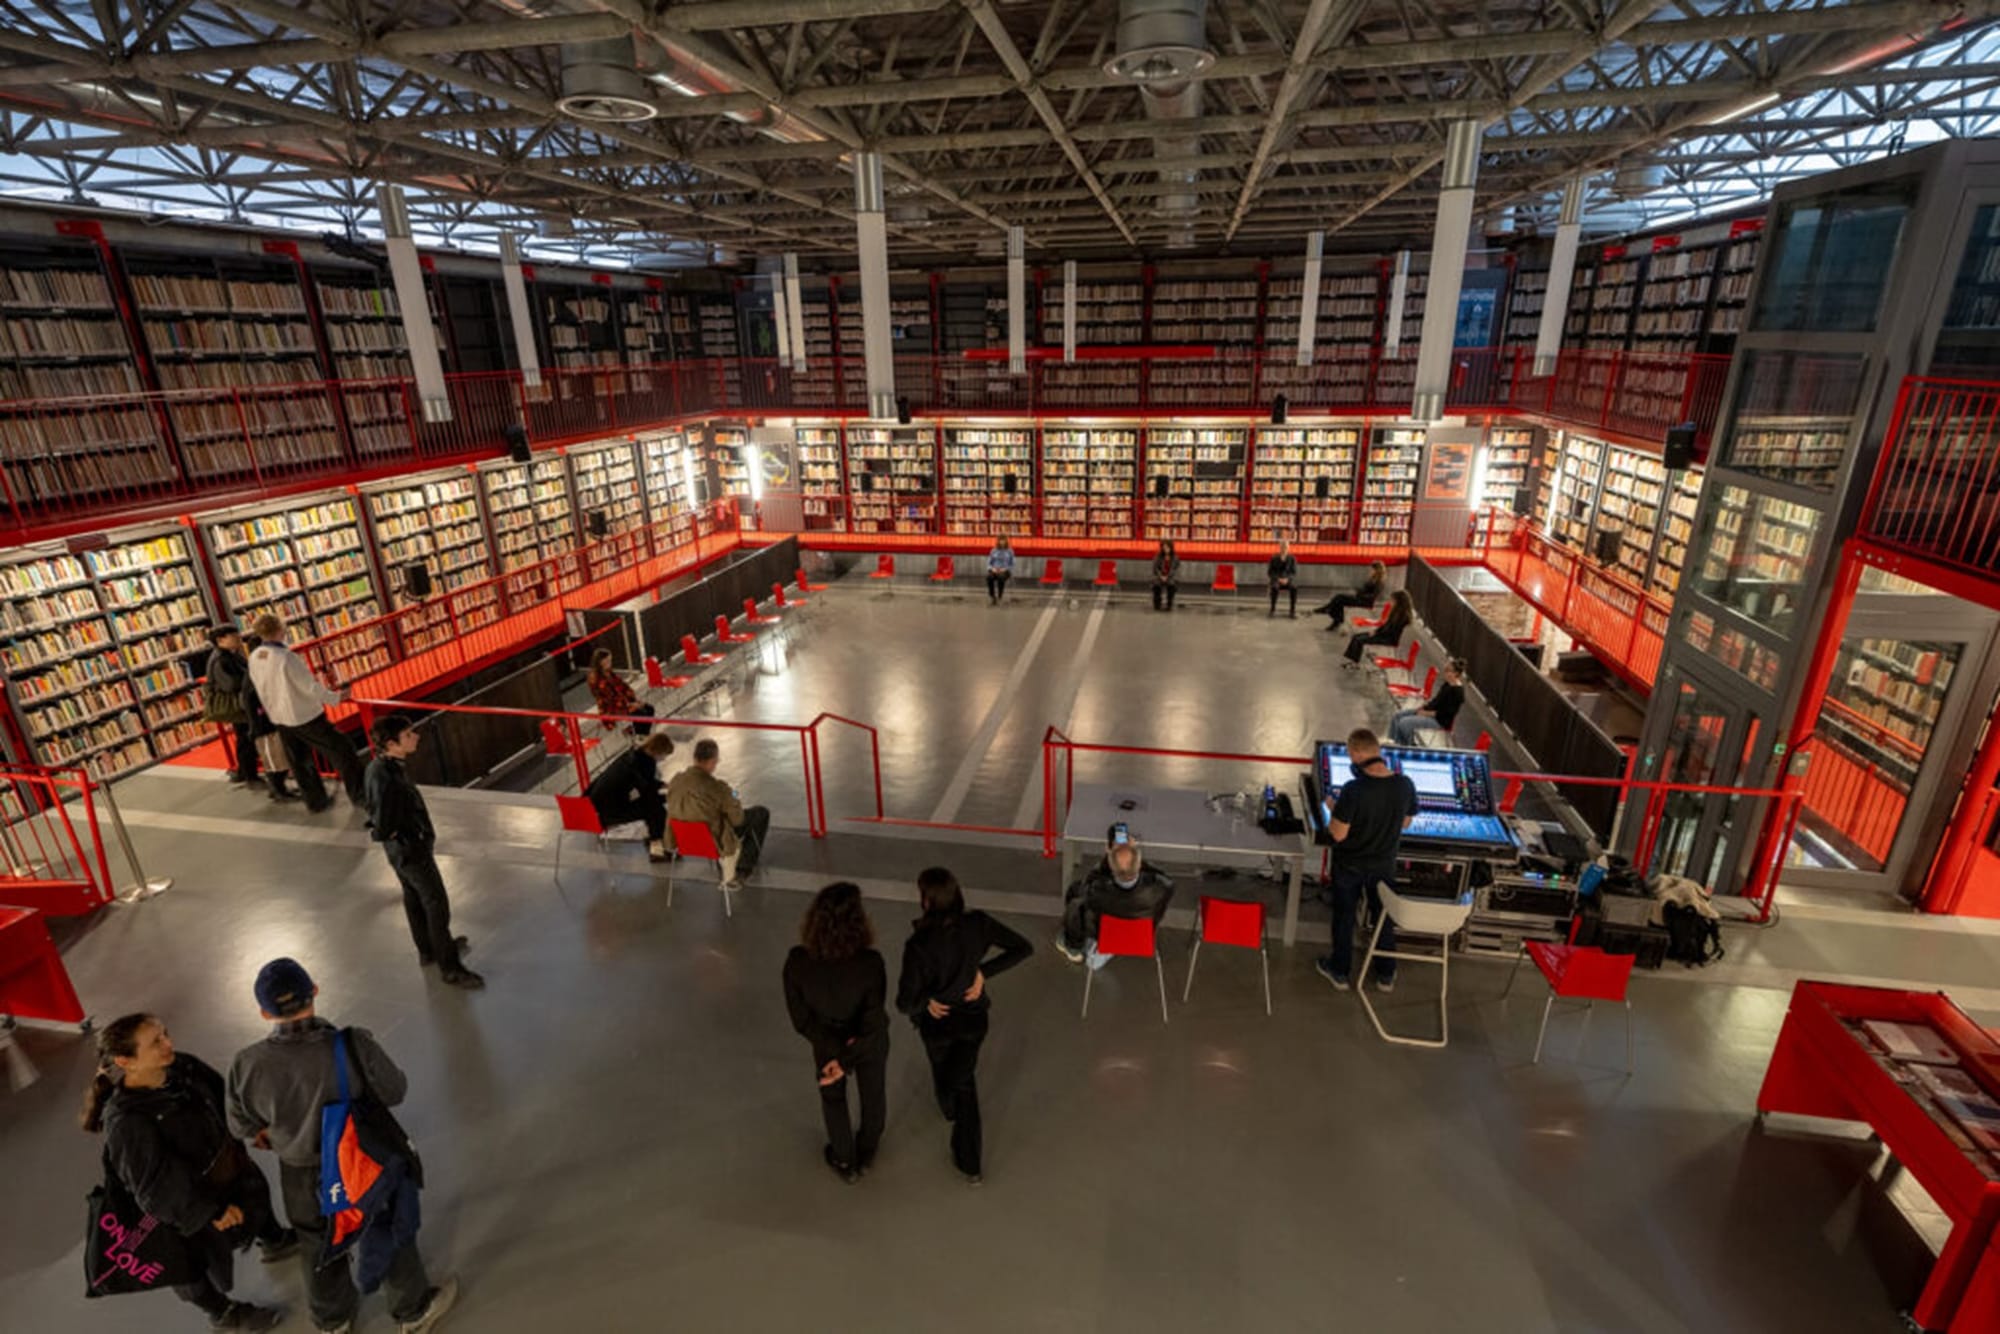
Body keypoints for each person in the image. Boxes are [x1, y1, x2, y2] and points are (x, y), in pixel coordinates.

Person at [226, 959, 459, 1334]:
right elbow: (394, 1091)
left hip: (299, 1172)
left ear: (264, 1012)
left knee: (316, 1242)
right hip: (359, 1161)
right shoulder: (352, 1044)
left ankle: (333, 1320)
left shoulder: (247, 1063)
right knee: (384, 1226)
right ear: (314, 991)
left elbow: (240, 1124)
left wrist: (267, 1131)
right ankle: (412, 1311)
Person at [84, 1013, 293, 1333]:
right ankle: (223, 1314)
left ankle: (275, 1240)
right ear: (126, 1061)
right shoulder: (128, 1122)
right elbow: (154, 1188)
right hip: (183, 1208)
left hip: (224, 1170)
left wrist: (251, 1126)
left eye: (165, 1034)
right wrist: (208, 1212)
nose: (168, 1044)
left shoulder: (183, 1067)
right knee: (189, 1264)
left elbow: (223, 1095)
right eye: (155, 1042)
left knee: (255, 1198)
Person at [895, 867, 1032, 1184]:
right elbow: (1023, 948)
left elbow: (904, 1003)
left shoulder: (918, 945)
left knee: (941, 1068)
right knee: (965, 1082)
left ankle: (948, 1108)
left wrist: (926, 1001)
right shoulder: (978, 924)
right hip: (972, 1020)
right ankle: (970, 1164)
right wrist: (983, 973)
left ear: (926, 902)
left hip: (937, 1025)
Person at [363, 716, 483, 990]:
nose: (415, 737)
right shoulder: (388, 778)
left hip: (400, 850)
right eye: (408, 735)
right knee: (436, 903)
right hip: (410, 849)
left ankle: (428, 949)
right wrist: (403, 835)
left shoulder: (378, 767)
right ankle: (450, 968)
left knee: (414, 897)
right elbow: (383, 823)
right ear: (391, 744)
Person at [781, 883, 889, 1183]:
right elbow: (873, 1020)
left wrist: (835, 1055)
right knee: (873, 1094)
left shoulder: (797, 962)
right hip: (866, 1042)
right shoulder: (871, 964)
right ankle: (867, 1151)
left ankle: (844, 1159)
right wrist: (849, 1058)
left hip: (825, 1039)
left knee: (833, 1098)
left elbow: (801, 1019)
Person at [1315, 728, 1419, 992]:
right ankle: (1386, 973)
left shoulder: (1354, 790)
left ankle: (1339, 970)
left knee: (1344, 917)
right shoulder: (1404, 784)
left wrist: (1333, 808)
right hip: (1384, 864)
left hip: (1350, 865)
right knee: (1383, 917)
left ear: (1356, 753)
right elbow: (1406, 822)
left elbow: (1338, 834)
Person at [245, 614, 365, 813]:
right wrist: (336, 698)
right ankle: (360, 794)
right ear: (280, 629)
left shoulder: (255, 656)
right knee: (343, 750)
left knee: (299, 760)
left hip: (278, 716)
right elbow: (309, 687)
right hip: (303, 715)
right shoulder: (286, 657)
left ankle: (315, 801)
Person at [1054, 834, 1174, 964]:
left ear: (1111, 866)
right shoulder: (1161, 889)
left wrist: (1107, 858)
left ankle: (1074, 948)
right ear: (1139, 863)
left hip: (1105, 935)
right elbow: (1164, 877)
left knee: (1075, 900)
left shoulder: (1097, 891)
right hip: (1140, 938)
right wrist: (1135, 857)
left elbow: (1089, 881)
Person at [666, 737, 770, 887]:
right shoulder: (719, 787)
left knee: (711, 819)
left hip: (683, 838)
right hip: (712, 840)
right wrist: (734, 797)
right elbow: (737, 820)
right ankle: (743, 866)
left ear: (695, 758)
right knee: (760, 813)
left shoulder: (676, 780)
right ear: (712, 761)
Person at [585, 731, 677, 863]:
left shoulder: (632, 755)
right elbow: (647, 791)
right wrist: (668, 797)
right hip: (608, 813)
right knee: (654, 809)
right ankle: (657, 850)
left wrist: (663, 785)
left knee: (653, 806)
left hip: (594, 808)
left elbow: (645, 781)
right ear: (657, 751)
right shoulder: (644, 763)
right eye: (664, 755)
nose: (663, 759)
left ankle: (657, 842)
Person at [239, 630, 297, 803]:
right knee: (273, 758)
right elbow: (249, 700)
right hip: (263, 724)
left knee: (281, 756)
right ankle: (277, 790)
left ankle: (280, 788)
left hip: (273, 719)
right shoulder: (254, 671)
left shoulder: (261, 668)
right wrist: (256, 725)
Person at [205, 626, 259, 787]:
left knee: (245, 736)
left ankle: (245, 771)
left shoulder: (230, 654)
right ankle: (249, 774)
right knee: (245, 737)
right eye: (233, 635)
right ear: (220, 640)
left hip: (240, 702)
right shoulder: (221, 660)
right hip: (237, 704)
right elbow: (230, 684)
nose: (238, 638)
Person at [1390, 658, 1467, 746]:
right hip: (1430, 712)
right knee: (1397, 716)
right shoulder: (1448, 683)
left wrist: (1425, 713)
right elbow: (1436, 701)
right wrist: (1424, 706)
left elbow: (1445, 714)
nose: (1445, 673)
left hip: (1439, 721)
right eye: (1445, 670)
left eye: (1448, 671)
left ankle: (1408, 746)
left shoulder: (1457, 693)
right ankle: (1394, 743)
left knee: (1404, 723)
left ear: (1456, 673)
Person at [585, 648, 653, 736]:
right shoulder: (598, 680)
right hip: (611, 708)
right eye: (607, 661)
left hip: (622, 702)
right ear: (600, 662)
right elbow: (611, 699)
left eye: (610, 660)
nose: (609, 663)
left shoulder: (609, 673)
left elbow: (623, 686)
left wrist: (633, 700)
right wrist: (630, 704)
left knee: (649, 708)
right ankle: (639, 735)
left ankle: (642, 734)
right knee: (640, 713)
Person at [1343, 588, 1412, 668]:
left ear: (1399, 602)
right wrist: (1376, 631)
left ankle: (1355, 663)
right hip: (1384, 634)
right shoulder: (1396, 612)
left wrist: (1377, 634)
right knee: (1356, 636)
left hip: (1389, 639)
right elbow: (1386, 625)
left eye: (1392, 600)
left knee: (1360, 640)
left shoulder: (1402, 617)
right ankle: (1353, 661)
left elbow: (1391, 630)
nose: (1390, 602)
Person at [1315, 559, 1387, 630]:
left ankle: (1328, 612)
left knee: (1339, 598)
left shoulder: (1379, 582)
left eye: (1372, 569)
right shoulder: (1373, 579)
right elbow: (1365, 591)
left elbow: (1373, 596)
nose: (1370, 571)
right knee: (1339, 599)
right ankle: (1334, 618)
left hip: (1365, 602)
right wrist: (1358, 591)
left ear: (1377, 570)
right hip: (1360, 599)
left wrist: (1360, 595)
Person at [1268, 539, 1299, 618]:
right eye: (1283, 546)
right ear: (1280, 547)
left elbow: (1294, 572)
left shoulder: (1292, 558)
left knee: (1294, 588)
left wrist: (1287, 579)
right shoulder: (1274, 558)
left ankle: (1292, 611)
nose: (1284, 548)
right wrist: (1278, 579)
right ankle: (1272, 609)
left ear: (1288, 548)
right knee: (1274, 588)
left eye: (1286, 547)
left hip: (1287, 580)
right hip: (1277, 580)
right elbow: (1270, 572)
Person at [985, 535, 1015, 605]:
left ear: (1006, 541)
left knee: (1000, 577)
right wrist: (992, 568)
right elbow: (989, 563)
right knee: (989, 577)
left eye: (1003, 540)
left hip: (1005, 571)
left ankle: (999, 596)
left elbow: (1012, 564)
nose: (1002, 542)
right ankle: (992, 596)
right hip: (994, 569)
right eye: (1000, 540)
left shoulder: (1010, 551)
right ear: (998, 541)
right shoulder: (994, 550)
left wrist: (1005, 569)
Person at [1151, 539, 1179, 612]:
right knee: (1156, 584)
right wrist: (1161, 576)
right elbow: (1155, 568)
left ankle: (1169, 604)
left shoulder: (1175, 557)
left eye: (1167, 547)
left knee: (1171, 585)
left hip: (1170, 576)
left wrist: (1167, 576)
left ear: (1171, 548)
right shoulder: (1158, 556)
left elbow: (1174, 569)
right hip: (1159, 576)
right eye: (1164, 548)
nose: (1166, 549)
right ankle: (1157, 604)